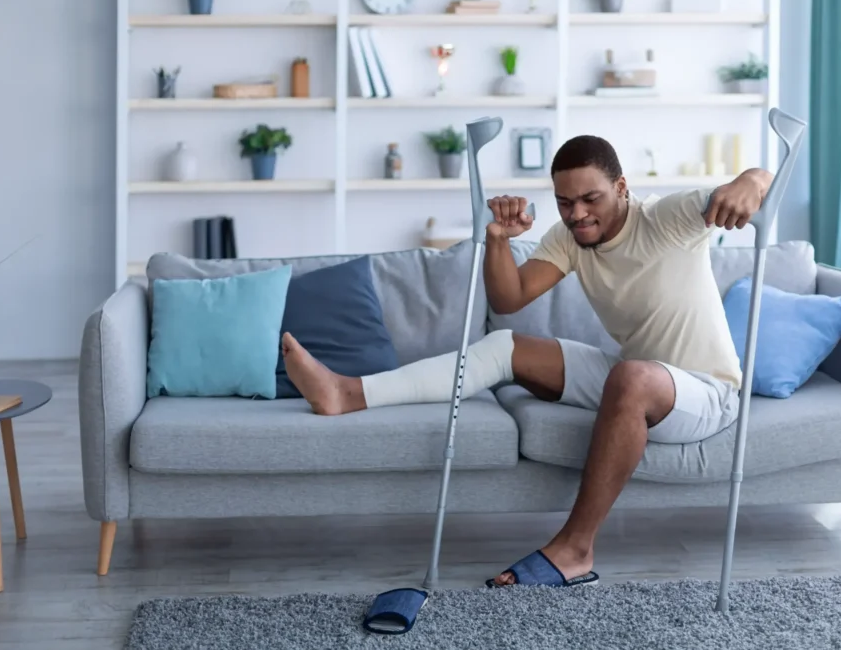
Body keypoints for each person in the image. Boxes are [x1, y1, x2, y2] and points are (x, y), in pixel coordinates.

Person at [280, 134, 774, 588]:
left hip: (706, 394)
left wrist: (751, 180)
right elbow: (510, 297)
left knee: (631, 376)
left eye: (590, 199)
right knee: (507, 346)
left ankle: (576, 550)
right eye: (565, 202)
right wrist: (498, 238)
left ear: (621, 187)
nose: (577, 213)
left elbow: (763, 183)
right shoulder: (570, 238)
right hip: (638, 379)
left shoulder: (668, 218)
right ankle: (347, 394)